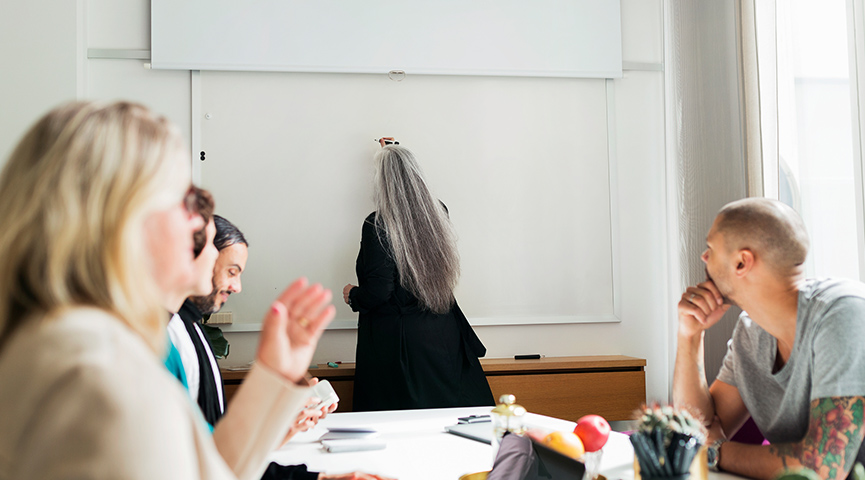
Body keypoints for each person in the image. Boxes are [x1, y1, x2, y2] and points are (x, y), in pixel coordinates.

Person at [0, 100, 335, 480]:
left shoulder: (69, 343)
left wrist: (272, 375)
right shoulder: (102, 374)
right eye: (186, 199)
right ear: (121, 215)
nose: (199, 221)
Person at [177, 215, 388, 480]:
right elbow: (209, 463)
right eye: (231, 271)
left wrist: (283, 425)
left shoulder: (190, 331)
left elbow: (222, 458)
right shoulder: (171, 339)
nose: (237, 287)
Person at [673, 197, 865, 479]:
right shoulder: (751, 331)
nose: (704, 256)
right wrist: (690, 335)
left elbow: (823, 466)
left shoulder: (845, 314)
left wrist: (715, 452)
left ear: (742, 262)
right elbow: (695, 431)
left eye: (711, 248)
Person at [343, 140, 494, 411]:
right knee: (446, 419)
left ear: (382, 184)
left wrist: (352, 294)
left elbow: (379, 291)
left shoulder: (378, 224)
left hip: (401, 344)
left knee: (399, 425)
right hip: (443, 334)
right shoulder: (438, 213)